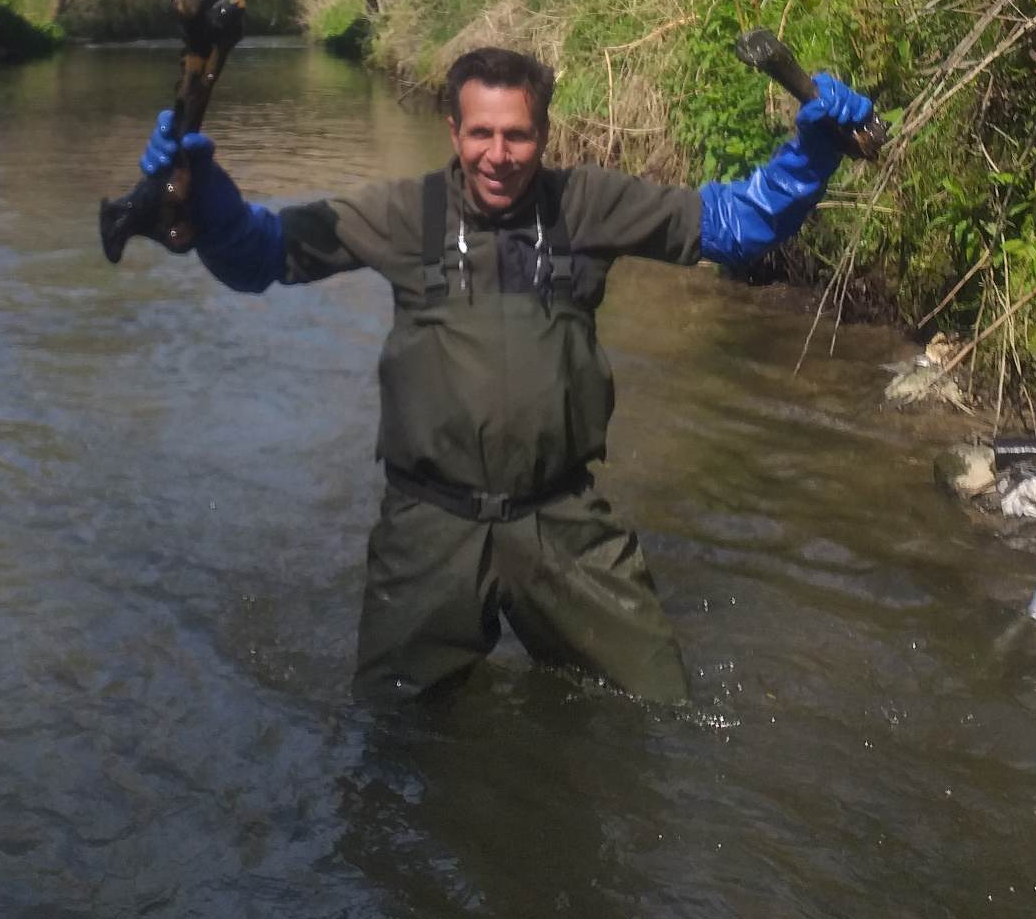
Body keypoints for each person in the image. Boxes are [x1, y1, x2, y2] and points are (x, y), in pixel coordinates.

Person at [136, 44, 874, 704]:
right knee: (393, 736)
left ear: (543, 135)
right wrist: (209, 203)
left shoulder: (589, 204)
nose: (498, 154)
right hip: (429, 527)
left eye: (517, 134)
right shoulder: (404, 213)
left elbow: (737, 225)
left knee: (657, 709)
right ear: (453, 133)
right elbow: (261, 256)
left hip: (562, 521)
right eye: (480, 133)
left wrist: (810, 155)